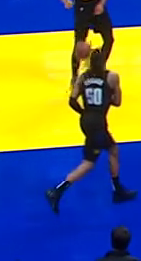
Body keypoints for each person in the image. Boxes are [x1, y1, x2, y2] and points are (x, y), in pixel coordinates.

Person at [47, 48, 135, 213]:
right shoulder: (111, 77)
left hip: (86, 121)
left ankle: (117, 189)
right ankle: (57, 190)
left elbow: (72, 101)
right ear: (104, 62)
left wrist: (84, 112)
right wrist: (108, 97)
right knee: (89, 162)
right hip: (98, 123)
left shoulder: (83, 77)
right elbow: (117, 102)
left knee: (113, 150)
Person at [59, 0, 115, 86]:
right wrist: (66, 1)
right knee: (79, 45)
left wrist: (102, 3)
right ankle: (74, 76)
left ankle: (99, 66)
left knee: (109, 39)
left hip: (98, 8)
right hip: (82, 10)